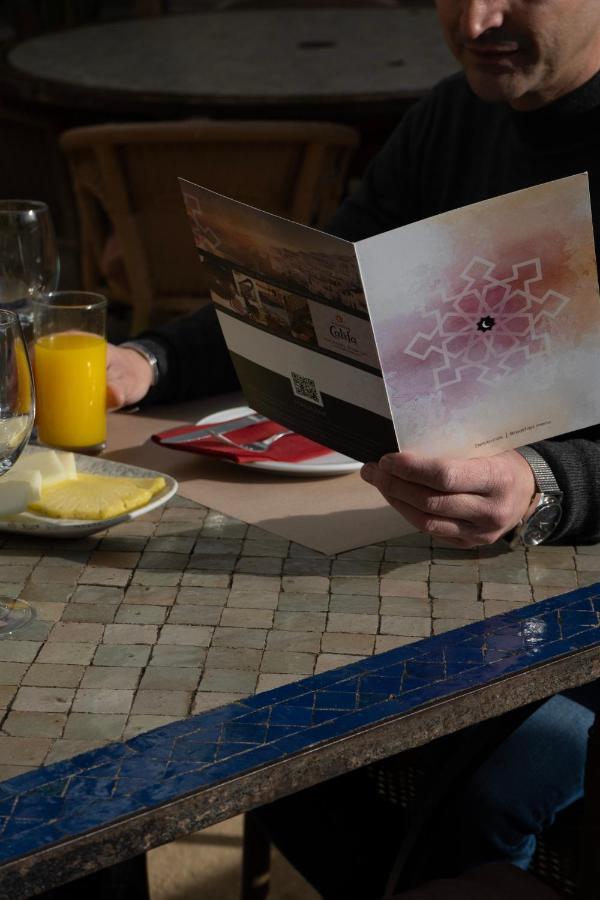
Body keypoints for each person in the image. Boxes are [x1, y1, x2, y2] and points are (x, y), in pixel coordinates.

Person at [106, 0, 600, 892]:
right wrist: (151, 359)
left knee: (457, 779)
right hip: (443, 582)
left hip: (567, 624)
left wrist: (546, 483)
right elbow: (321, 289)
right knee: (243, 731)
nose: (479, 16)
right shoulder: (456, 115)